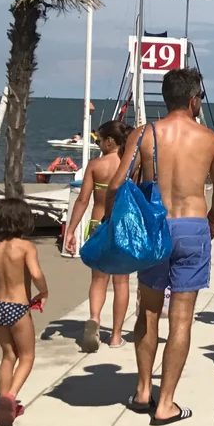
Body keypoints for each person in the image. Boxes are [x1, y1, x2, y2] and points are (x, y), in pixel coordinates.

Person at [115, 67, 214, 426]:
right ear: (194, 100)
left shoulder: (145, 134)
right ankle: (166, 403)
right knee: (181, 318)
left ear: (165, 98)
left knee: (148, 311)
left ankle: (142, 391)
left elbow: (119, 181)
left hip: (155, 226)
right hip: (193, 226)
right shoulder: (209, 139)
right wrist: (212, 219)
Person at [63, 119, 133, 350]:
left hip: (97, 224)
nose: (98, 144)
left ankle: (94, 318)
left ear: (109, 141)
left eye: (100, 140)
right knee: (121, 282)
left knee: (98, 280)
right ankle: (115, 336)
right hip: (121, 226)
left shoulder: (96, 165)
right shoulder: (129, 165)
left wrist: (70, 231)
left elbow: (82, 200)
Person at [0, 199, 47, 426]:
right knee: (27, 356)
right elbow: (36, 273)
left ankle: (2, 400)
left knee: (8, 355)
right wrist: (43, 291)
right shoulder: (26, 247)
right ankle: (10, 397)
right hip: (18, 308)